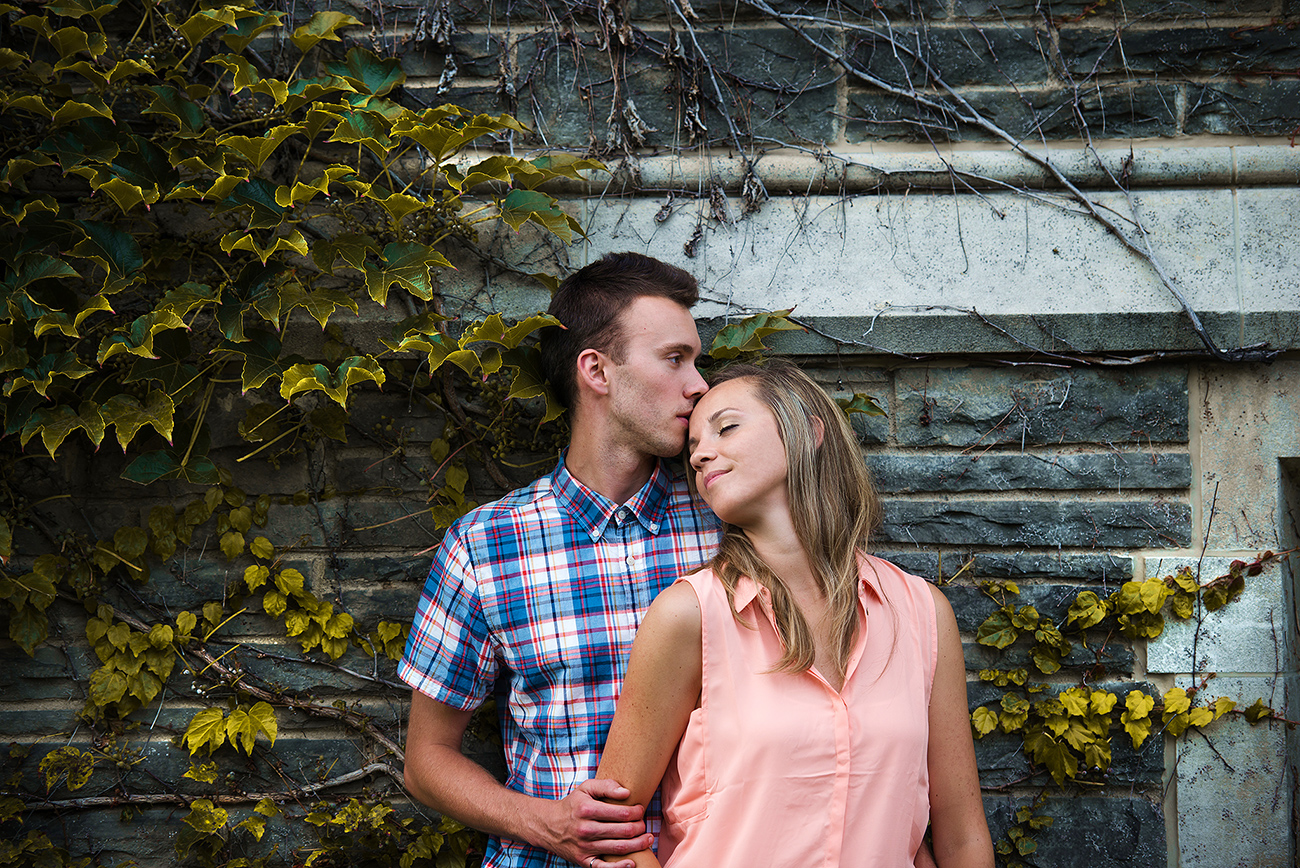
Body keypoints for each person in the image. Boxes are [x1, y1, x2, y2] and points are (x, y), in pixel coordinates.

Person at [593, 361, 994, 868]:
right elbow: (610, 831)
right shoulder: (690, 615)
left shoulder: (921, 613)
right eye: (692, 446)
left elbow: (961, 835)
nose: (700, 455)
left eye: (727, 427)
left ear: (806, 428)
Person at [398, 252, 722, 868]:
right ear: (597, 371)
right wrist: (547, 824)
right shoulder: (488, 544)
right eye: (675, 359)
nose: (699, 385)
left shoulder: (724, 524)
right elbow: (426, 761)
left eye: (696, 361)